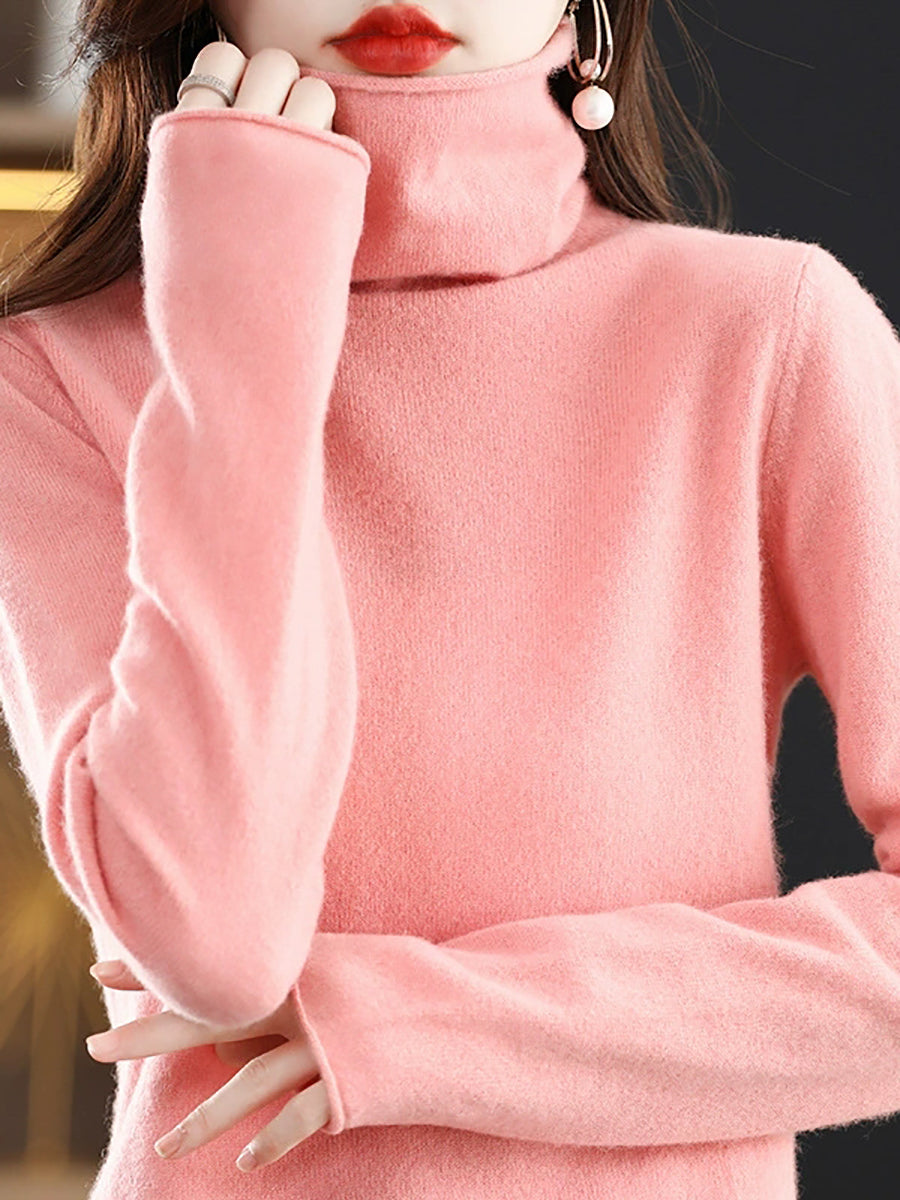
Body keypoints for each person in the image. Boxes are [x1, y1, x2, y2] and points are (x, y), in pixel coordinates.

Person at [0, 1, 899, 1197]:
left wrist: (412, 1024)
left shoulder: (766, 332)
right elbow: (215, 941)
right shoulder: (48, 375)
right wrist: (242, 331)